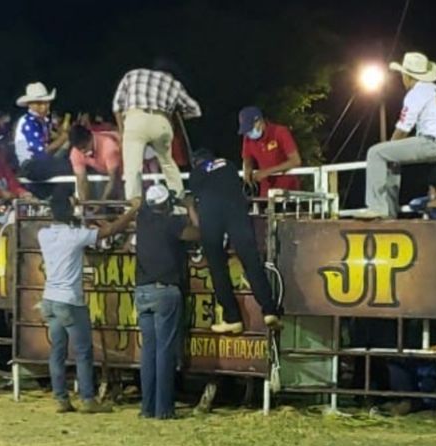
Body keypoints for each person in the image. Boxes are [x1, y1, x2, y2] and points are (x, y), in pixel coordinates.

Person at [37, 190, 139, 413]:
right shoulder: (75, 236)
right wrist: (133, 210)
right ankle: (87, 398)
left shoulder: (43, 234)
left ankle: (61, 398)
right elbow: (111, 230)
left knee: (58, 351)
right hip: (70, 300)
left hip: (50, 298)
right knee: (83, 351)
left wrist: (71, 207)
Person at [357, 52, 436, 219]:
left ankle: (378, 207)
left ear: (407, 76)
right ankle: (389, 211)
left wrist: (390, 147)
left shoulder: (416, 94)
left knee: (376, 152)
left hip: (431, 142)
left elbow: (403, 128)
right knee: (390, 158)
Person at [189, 150, 280, 334]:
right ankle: (270, 311)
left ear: (196, 162)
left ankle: (232, 318)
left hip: (211, 214)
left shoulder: (196, 173)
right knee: (251, 261)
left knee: (217, 267)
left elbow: (194, 197)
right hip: (236, 210)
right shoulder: (228, 164)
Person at [134, 184, 200, 419]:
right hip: (165, 290)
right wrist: (190, 207)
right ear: (166, 204)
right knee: (164, 352)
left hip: (142, 290)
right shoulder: (173, 224)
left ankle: (147, 407)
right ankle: (164, 409)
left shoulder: (142, 222)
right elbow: (197, 233)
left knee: (148, 352)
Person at [112, 61, 201, 202]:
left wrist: (124, 134)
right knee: (168, 164)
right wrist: (175, 115)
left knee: (133, 169)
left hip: (135, 119)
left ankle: (132, 210)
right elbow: (195, 110)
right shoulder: (174, 83)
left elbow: (117, 106)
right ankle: (179, 203)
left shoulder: (133, 74)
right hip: (161, 122)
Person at [14, 82, 72, 198]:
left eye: (46, 103)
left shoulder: (43, 121)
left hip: (42, 163)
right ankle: (62, 200)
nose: (45, 106)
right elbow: (41, 152)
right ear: (30, 105)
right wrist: (63, 138)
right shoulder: (28, 122)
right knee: (69, 166)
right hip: (30, 166)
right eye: (40, 103)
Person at [237, 106, 302, 197]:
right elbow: (247, 158)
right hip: (266, 192)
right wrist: (247, 169)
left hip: (288, 191)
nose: (249, 133)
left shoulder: (280, 132)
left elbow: (295, 161)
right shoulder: (247, 138)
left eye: (250, 129)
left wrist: (267, 172)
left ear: (259, 121)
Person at [68, 124, 122, 201]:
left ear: (90, 138)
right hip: (105, 170)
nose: (83, 151)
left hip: (125, 168)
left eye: (84, 147)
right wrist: (84, 205)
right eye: (80, 149)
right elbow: (81, 181)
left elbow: (114, 180)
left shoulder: (109, 146)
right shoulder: (75, 152)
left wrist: (100, 204)